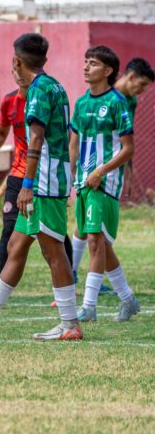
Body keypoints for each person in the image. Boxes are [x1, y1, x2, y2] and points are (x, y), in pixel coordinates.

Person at [0, 33, 82, 341]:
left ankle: (70, 324)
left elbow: (36, 139)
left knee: (53, 251)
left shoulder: (37, 90)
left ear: (17, 61)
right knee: (16, 245)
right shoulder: (56, 86)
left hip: (43, 182)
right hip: (49, 178)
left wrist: (28, 185)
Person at [0, 70, 74, 299]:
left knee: (53, 240)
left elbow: (50, 138)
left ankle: (69, 285)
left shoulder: (44, 95)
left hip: (42, 178)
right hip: (19, 176)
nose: (19, 75)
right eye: (15, 70)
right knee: (11, 234)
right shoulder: (9, 101)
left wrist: (58, 182)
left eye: (21, 68)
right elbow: (1, 131)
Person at [70, 57, 153, 289]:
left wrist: (127, 172)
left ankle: (90, 281)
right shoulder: (100, 97)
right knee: (89, 229)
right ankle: (74, 275)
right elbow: (78, 137)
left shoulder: (128, 102)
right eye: (142, 84)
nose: (142, 91)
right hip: (91, 172)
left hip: (108, 174)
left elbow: (126, 142)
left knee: (97, 234)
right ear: (131, 76)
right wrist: (75, 170)